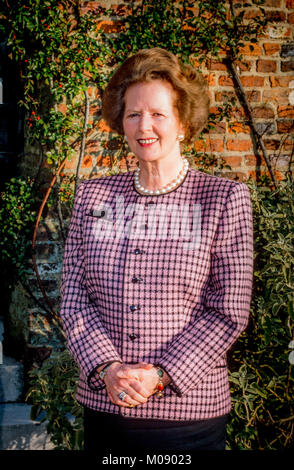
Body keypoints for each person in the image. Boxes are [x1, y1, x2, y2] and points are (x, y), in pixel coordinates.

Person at [60, 47, 254, 454]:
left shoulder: (222, 199)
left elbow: (227, 311)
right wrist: (109, 368)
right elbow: (74, 300)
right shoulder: (93, 196)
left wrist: (160, 375)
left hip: (188, 413)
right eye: (133, 114)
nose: (144, 125)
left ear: (182, 122)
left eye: (158, 114)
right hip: (107, 405)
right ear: (121, 121)